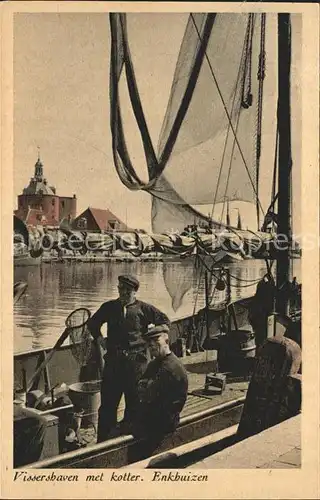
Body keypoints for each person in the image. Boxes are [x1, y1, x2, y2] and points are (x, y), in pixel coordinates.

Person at [87, 274, 170, 442]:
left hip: (137, 364)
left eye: (127, 290)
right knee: (108, 406)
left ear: (134, 292)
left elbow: (165, 322)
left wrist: (150, 337)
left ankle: (130, 440)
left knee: (134, 403)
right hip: (114, 364)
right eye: (120, 289)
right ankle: (102, 442)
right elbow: (93, 323)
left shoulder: (144, 309)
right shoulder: (109, 307)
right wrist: (99, 338)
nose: (123, 293)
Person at [129, 324, 188, 460]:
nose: (152, 347)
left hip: (164, 420)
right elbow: (141, 388)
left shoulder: (171, 368)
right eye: (150, 344)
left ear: (167, 342)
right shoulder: (155, 364)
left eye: (156, 342)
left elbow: (148, 393)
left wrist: (146, 388)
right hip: (154, 412)